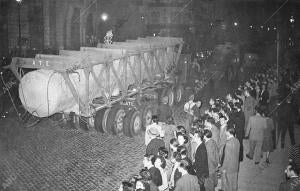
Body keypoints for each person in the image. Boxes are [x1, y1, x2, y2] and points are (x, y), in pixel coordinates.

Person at [220, 126, 240, 191]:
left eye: (226, 131)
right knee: (234, 181)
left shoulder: (228, 143)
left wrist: (223, 168)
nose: (225, 132)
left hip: (229, 166)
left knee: (228, 183)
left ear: (229, 132)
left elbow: (227, 158)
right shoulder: (237, 140)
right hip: (235, 165)